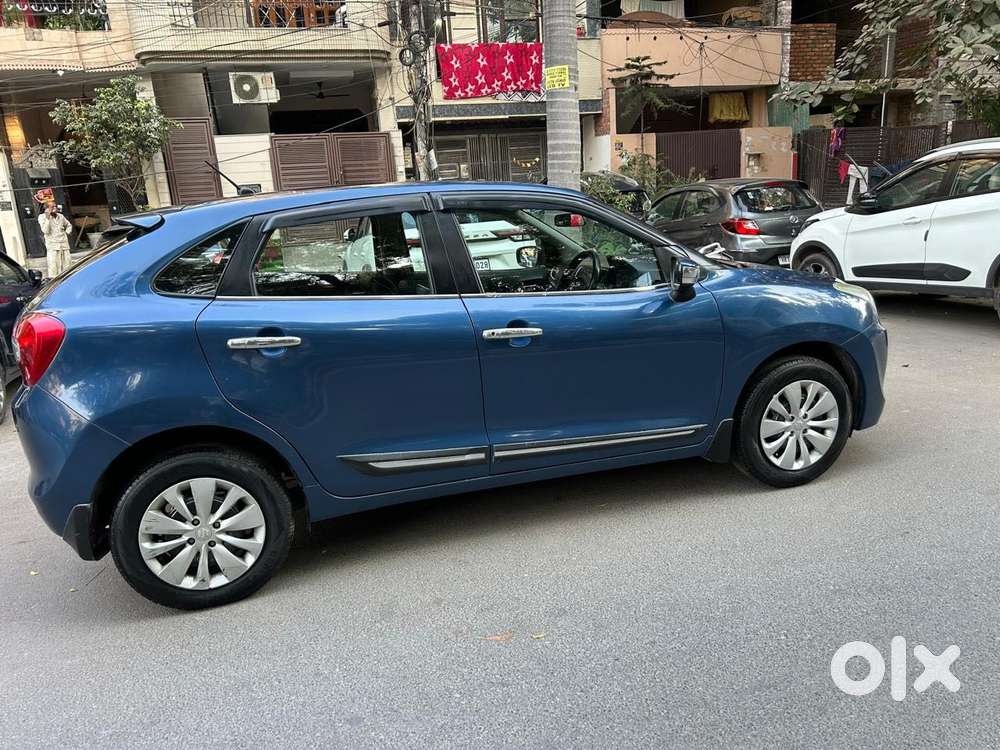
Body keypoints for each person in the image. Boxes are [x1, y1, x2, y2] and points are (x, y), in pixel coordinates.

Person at [37, 203, 73, 278]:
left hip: (64, 244)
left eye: (55, 206)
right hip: (53, 246)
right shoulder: (42, 217)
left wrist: (67, 232)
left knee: (67, 265)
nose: (55, 208)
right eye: (52, 207)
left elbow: (69, 225)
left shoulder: (60, 216)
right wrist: (47, 218)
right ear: (46, 208)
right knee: (53, 267)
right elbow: (45, 231)